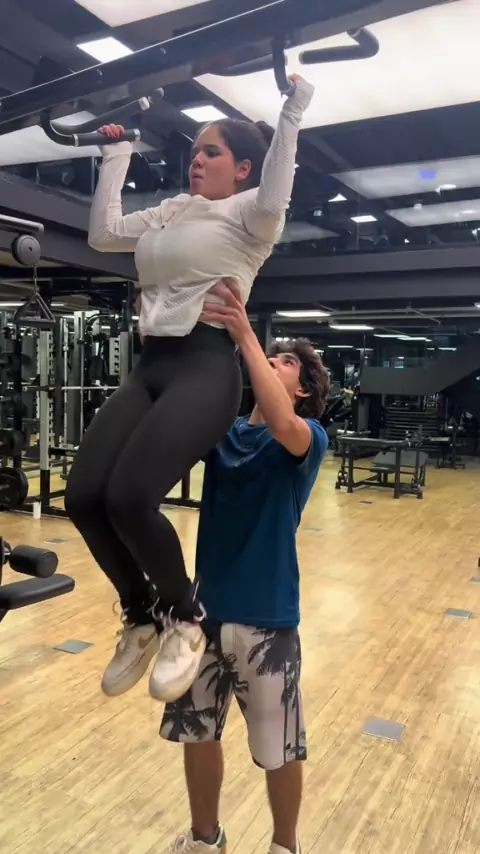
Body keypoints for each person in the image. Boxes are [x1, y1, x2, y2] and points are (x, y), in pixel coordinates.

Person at [64, 74, 314, 706]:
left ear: (243, 169)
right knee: (84, 497)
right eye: (194, 151)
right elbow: (104, 234)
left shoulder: (251, 216)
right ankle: (140, 615)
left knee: (130, 497)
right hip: (150, 366)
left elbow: (278, 183)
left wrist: (292, 111)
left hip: (206, 367)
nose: (196, 160)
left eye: (211, 152)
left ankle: (185, 618)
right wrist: (116, 155)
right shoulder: (173, 210)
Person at [160, 278, 330, 854]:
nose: (273, 362)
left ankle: (285, 845)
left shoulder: (306, 438)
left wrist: (245, 333)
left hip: (267, 621)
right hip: (202, 616)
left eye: (286, 362)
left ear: (302, 391)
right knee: (197, 733)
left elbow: (281, 425)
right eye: (271, 356)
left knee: (278, 747)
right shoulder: (225, 434)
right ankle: (205, 839)